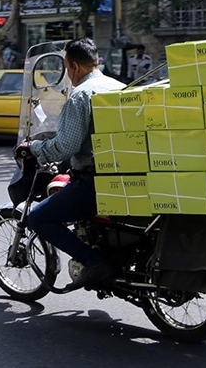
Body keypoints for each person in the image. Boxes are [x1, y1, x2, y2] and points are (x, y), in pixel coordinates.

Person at [15, 38, 124, 289]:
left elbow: (65, 147)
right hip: (127, 176)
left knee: (38, 217)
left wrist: (34, 148)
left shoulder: (80, 96)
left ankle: (93, 262)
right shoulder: (120, 86)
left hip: (95, 181)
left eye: (66, 68)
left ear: (73, 66)